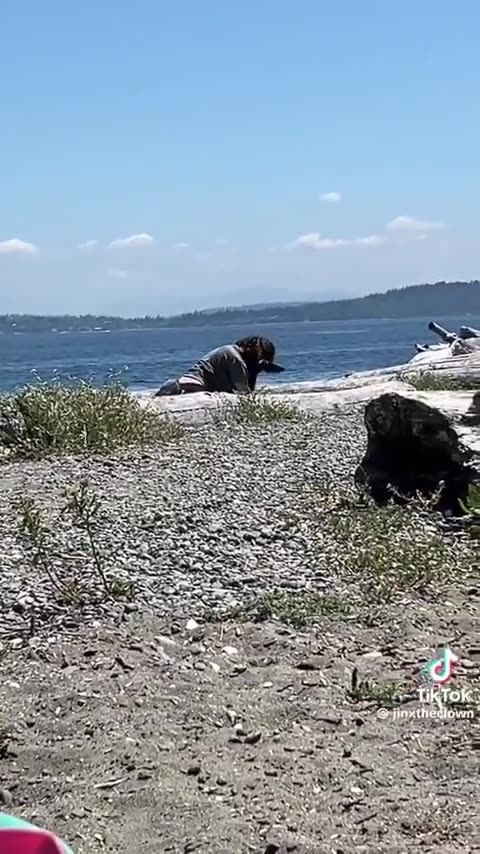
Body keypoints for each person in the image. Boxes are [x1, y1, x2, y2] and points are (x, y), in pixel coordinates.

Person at [154, 336, 284, 396]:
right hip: (192, 385)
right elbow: (243, 391)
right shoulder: (234, 357)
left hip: (190, 383)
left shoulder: (230, 351)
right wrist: (254, 372)